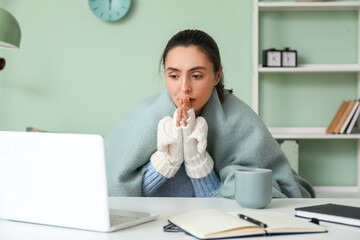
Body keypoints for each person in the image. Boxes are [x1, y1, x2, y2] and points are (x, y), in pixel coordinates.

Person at [105, 29, 315, 198]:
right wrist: (166, 161)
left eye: (196, 75)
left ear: (217, 76)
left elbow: (270, 195)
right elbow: (118, 193)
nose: (184, 87)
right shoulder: (144, 115)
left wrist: (198, 163)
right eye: (174, 75)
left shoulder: (241, 120)